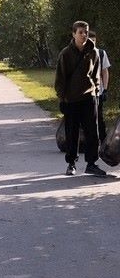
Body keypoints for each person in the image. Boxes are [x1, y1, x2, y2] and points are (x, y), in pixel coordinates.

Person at [54, 21, 106, 176]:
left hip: (89, 98)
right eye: (81, 32)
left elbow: (96, 75)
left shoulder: (94, 52)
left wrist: (97, 93)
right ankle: (71, 163)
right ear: (74, 34)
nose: (84, 35)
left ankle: (92, 163)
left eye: (86, 32)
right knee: (72, 133)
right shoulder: (66, 53)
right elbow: (60, 79)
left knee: (92, 132)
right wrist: (62, 99)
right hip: (71, 99)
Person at [88, 30, 111, 142]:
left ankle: (103, 140)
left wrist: (105, 89)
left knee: (99, 117)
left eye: (94, 40)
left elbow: (105, 72)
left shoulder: (101, 54)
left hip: (98, 91)